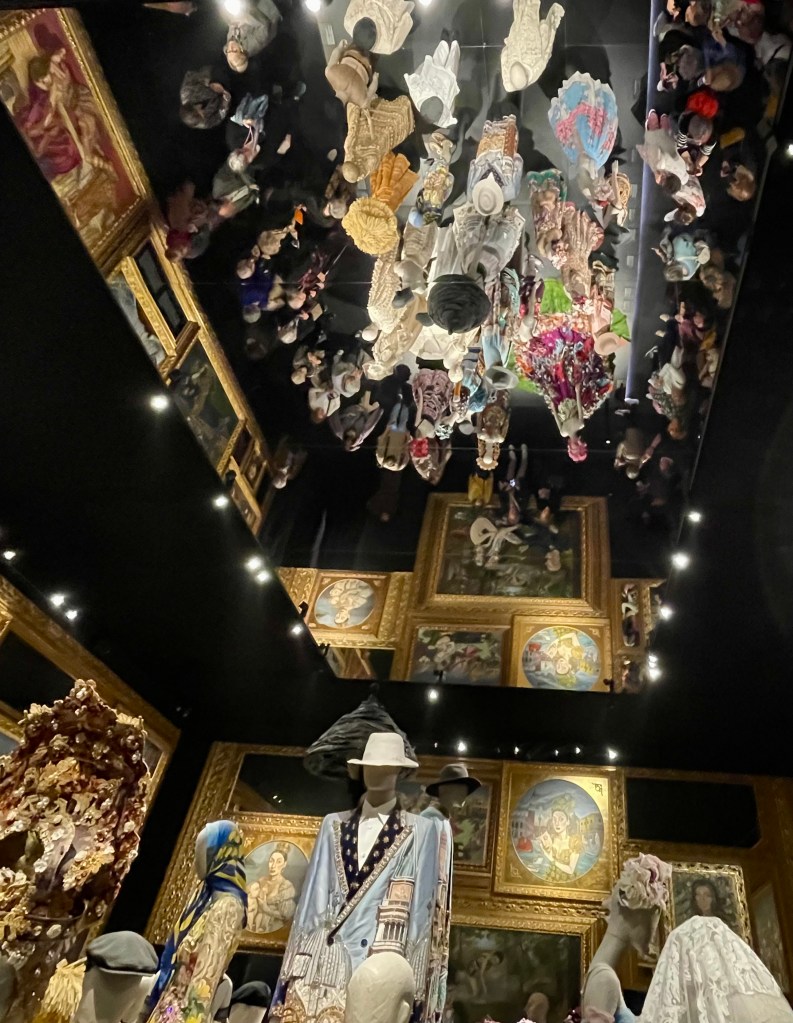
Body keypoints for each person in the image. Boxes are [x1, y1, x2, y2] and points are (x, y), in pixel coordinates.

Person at [222, 0, 281, 73]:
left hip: (251, 4)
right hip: (270, 6)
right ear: (241, 51)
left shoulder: (230, 42)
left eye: (229, 51)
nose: (231, 47)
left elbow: (232, 24)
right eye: (234, 51)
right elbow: (264, 25)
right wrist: (244, 18)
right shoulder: (254, 44)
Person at [256, 846, 297, 933]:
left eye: (278, 862)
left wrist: (266, 909)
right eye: (271, 861)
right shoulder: (261, 881)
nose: (273, 866)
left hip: (274, 928)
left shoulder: (286, 886)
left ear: (284, 864)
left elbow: (285, 916)